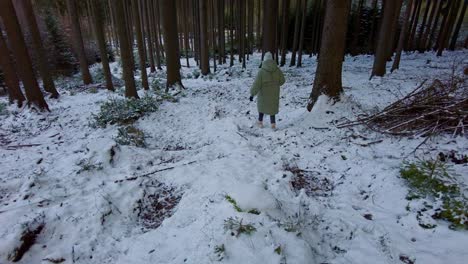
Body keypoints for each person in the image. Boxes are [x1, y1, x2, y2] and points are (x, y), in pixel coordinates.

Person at [250, 52, 285, 129]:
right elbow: (282, 80)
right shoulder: (277, 70)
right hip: (274, 94)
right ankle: (273, 124)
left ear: (264, 60)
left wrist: (252, 94)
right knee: (272, 108)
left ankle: (260, 122)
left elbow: (257, 84)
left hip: (263, 94)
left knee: (262, 106)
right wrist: (275, 84)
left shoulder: (261, 71)